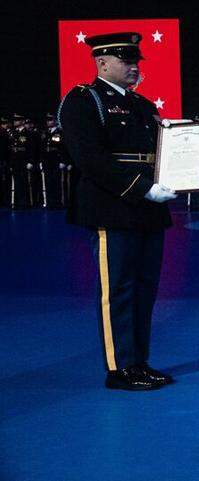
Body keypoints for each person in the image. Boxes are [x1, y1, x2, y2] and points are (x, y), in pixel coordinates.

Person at [57, 31, 179, 391]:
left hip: (147, 209)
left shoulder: (143, 106)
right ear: (102, 63)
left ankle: (138, 361)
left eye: (135, 61)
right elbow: (90, 160)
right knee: (118, 289)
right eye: (126, 61)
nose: (133, 67)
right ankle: (119, 368)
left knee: (145, 288)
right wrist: (143, 188)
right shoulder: (84, 100)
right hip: (113, 207)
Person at [8, 114, 39, 208]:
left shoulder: (28, 133)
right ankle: (18, 202)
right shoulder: (13, 133)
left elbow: (31, 148)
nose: (15, 122)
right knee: (17, 182)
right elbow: (11, 149)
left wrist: (31, 161)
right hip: (15, 161)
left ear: (22, 121)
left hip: (24, 160)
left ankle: (25, 202)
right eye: (14, 120)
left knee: (25, 182)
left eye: (17, 120)